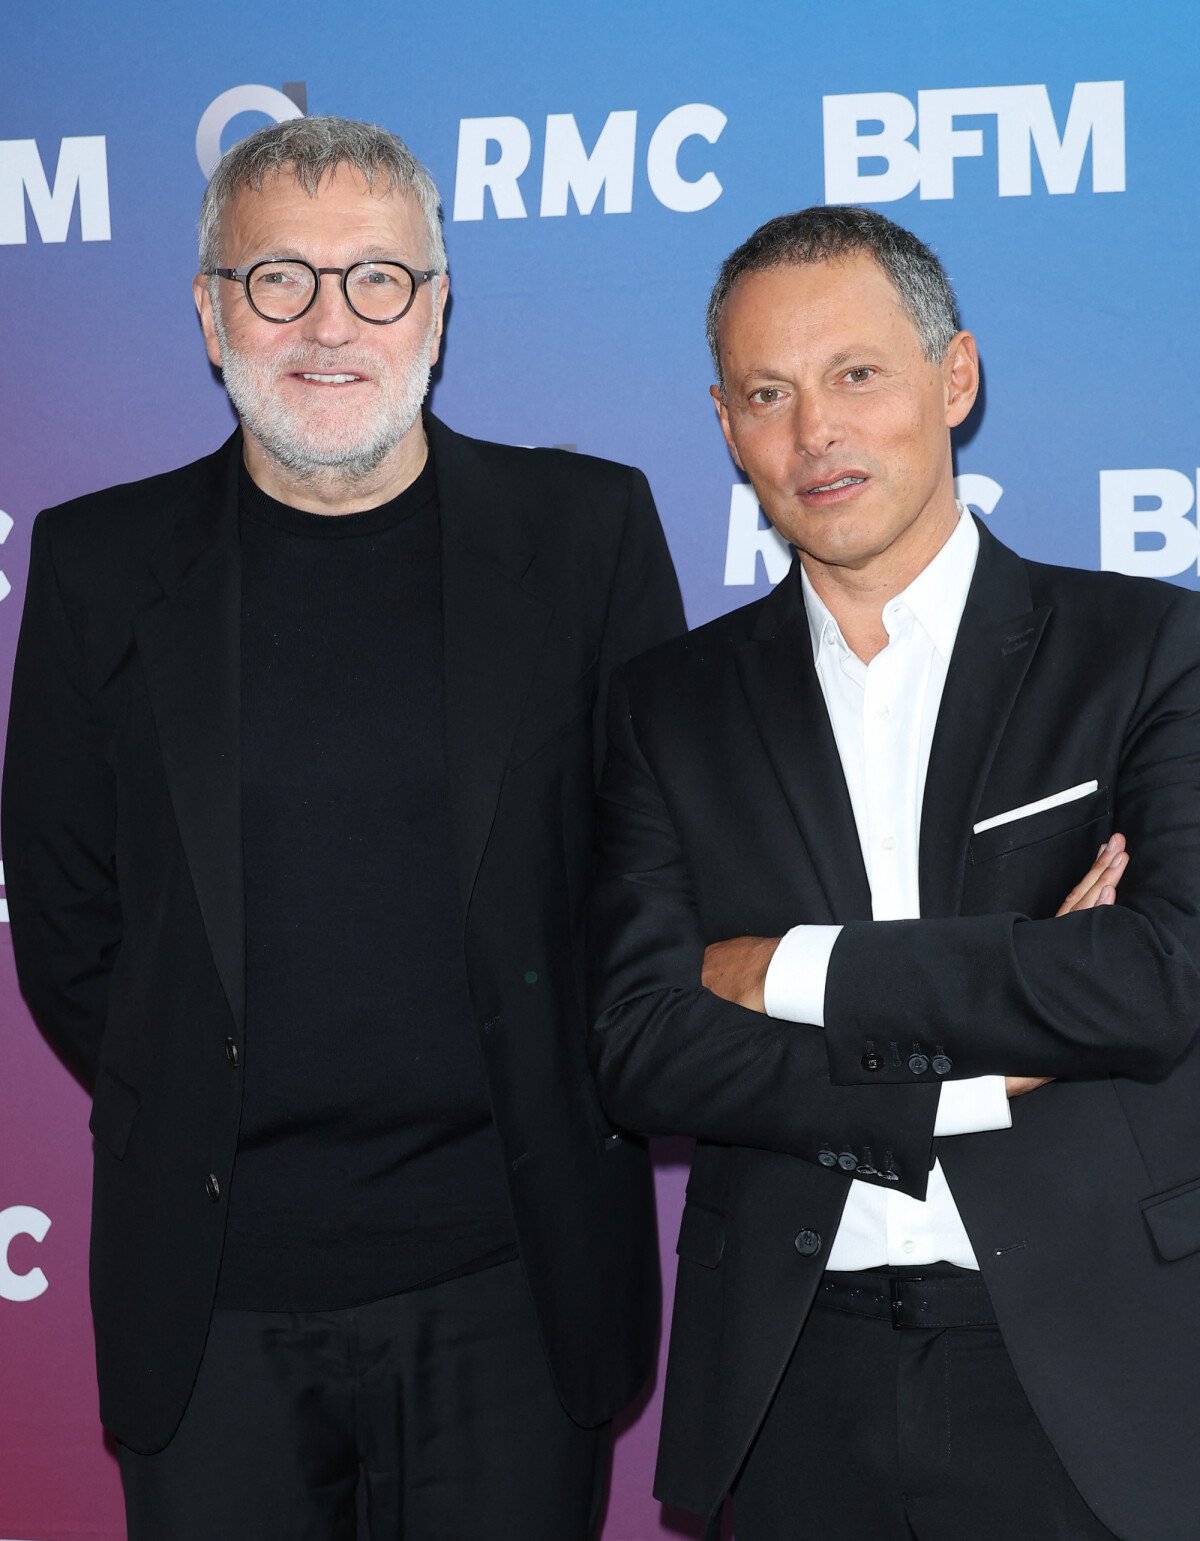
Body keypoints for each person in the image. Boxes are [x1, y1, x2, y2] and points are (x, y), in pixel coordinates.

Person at [2, 114, 683, 1540]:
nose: (329, 321)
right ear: (210, 309)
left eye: (377, 277)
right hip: (214, 1301)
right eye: (279, 279)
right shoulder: (95, 566)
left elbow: (649, 872)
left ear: (436, 309)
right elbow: (67, 923)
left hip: (513, 1280)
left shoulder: (588, 533)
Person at [587, 205, 1200, 1541]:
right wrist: (992, 1059)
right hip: (794, 1380)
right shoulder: (668, 704)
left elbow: (1157, 977)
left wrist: (785, 968)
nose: (817, 433)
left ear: (955, 378)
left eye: (857, 374)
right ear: (725, 422)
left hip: (1097, 1375)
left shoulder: (1147, 649)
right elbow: (642, 1043)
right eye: (768, 393)